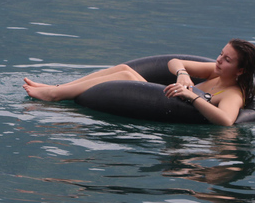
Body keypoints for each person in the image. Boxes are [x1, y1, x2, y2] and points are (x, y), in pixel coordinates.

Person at [23, 39, 255, 126]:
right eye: (220, 54)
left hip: (179, 109)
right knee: (125, 69)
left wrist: (193, 96)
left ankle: (54, 95)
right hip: (170, 96)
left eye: (227, 59)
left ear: (240, 70)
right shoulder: (215, 73)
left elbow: (226, 121)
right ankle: (56, 89)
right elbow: (174, 61)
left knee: (125, 75)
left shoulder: (233, 93)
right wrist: (183, 73)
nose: (219, 60)